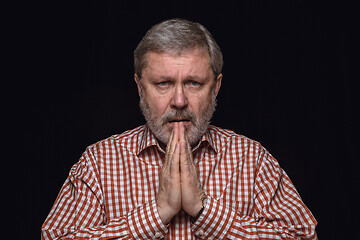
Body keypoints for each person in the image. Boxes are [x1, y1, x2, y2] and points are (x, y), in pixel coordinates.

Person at [42, 19, 317, 239]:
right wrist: (158, 213)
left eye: (194, 83)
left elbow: (302, 236)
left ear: (216, 87)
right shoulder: (99, 163)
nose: (179, 101)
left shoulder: (252, 161)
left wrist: (204, 210)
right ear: (140, 87)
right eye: (163, 83)